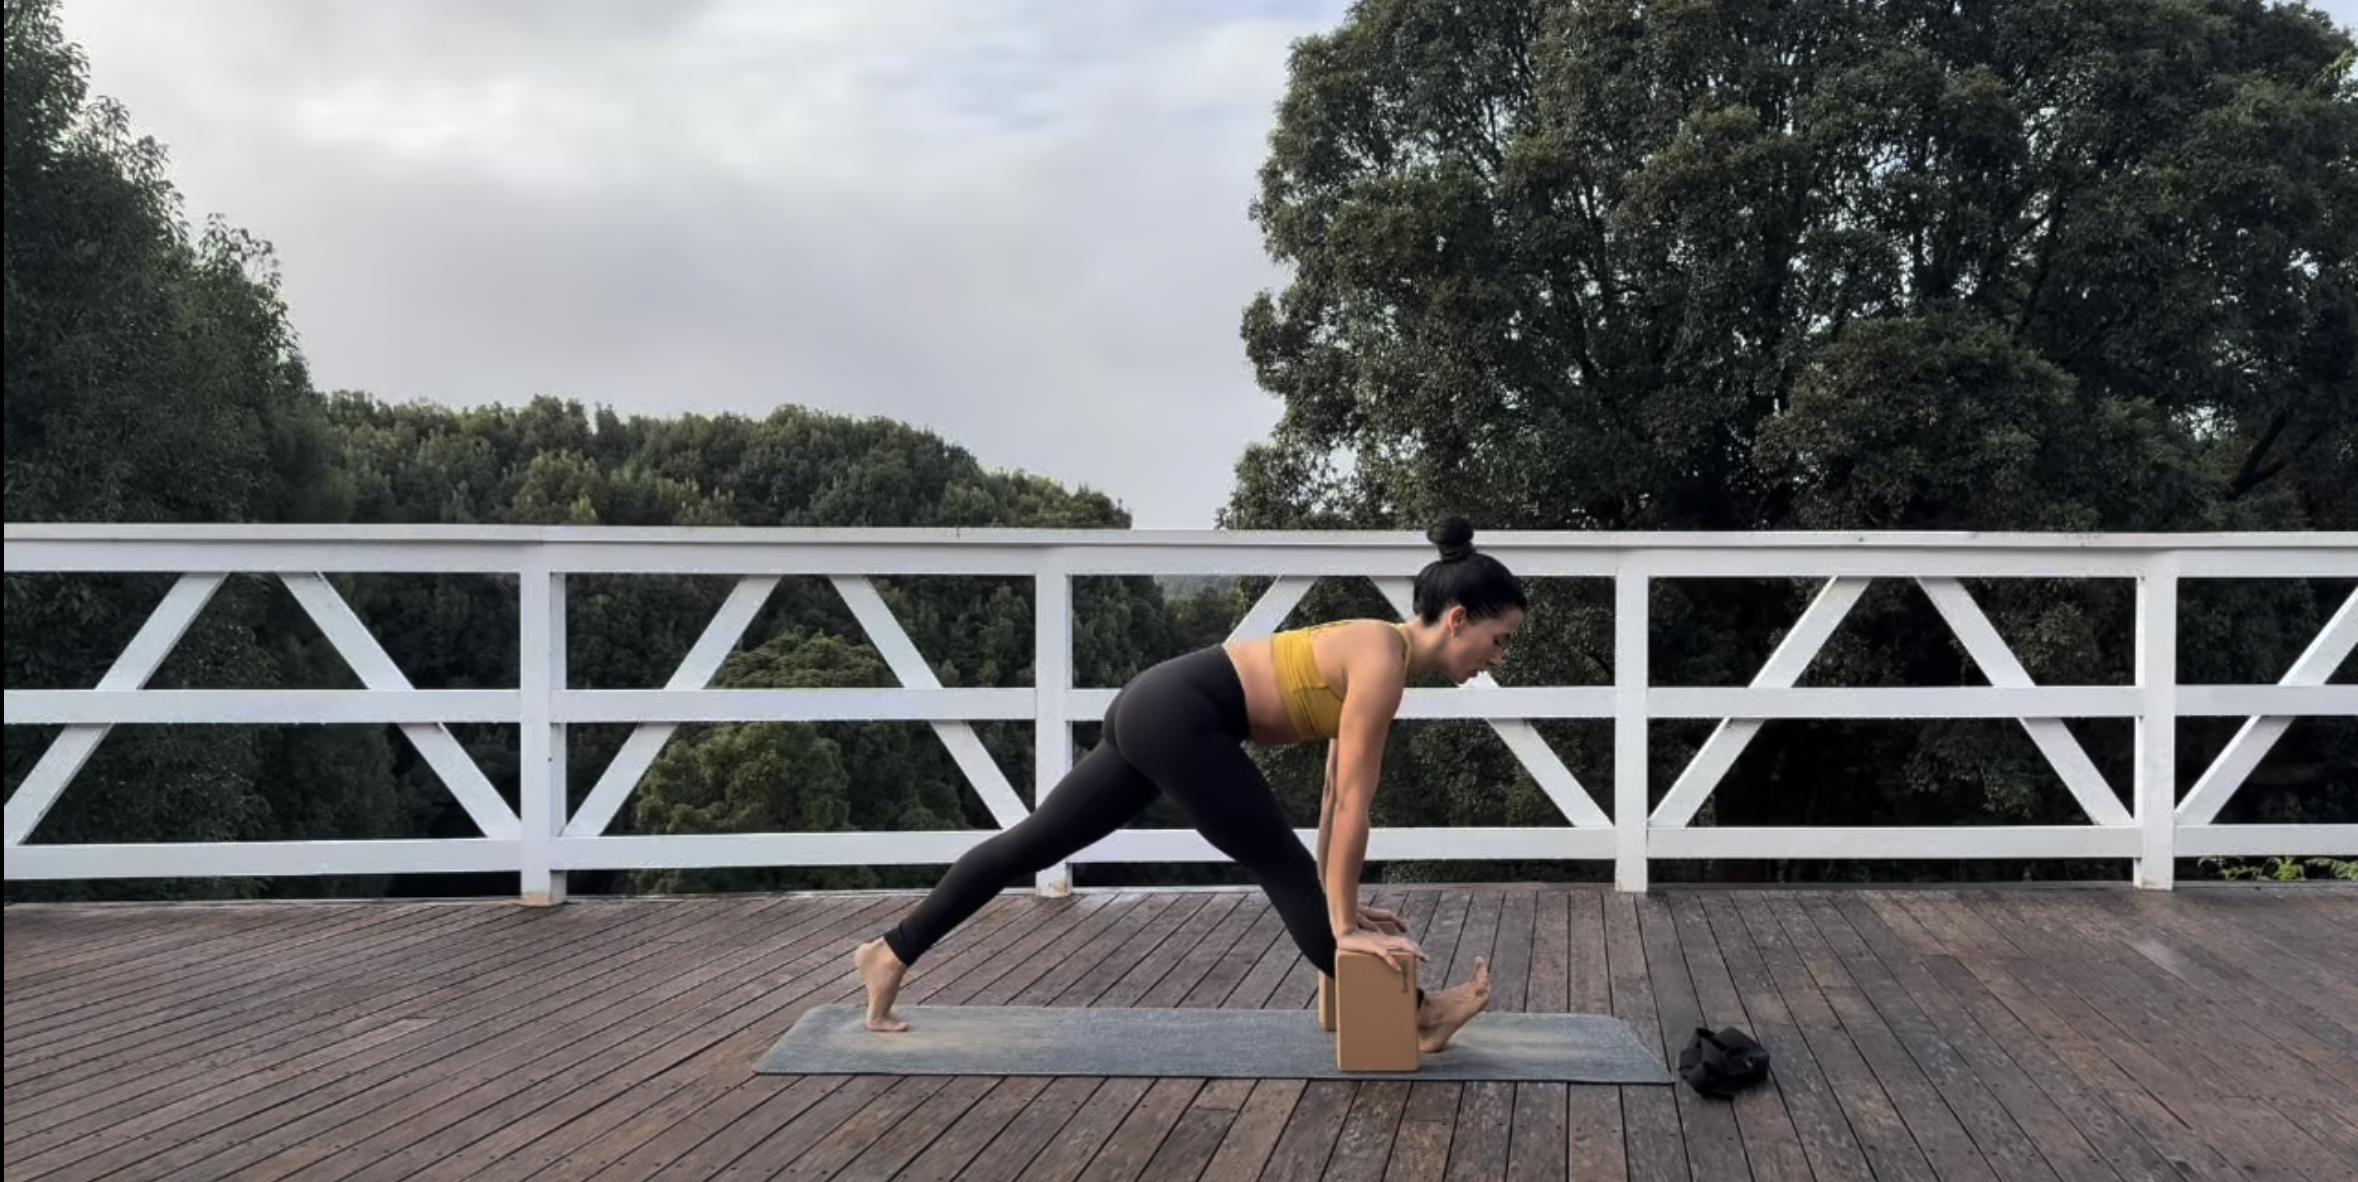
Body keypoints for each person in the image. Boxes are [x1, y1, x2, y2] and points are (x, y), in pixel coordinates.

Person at [853, 515, 1525, 1053]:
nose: (1494, 661)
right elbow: (1353, 802)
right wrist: (1341, 922)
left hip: (1155, 705)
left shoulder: (1379, 651)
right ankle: (1422, 1015)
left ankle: (890, 952)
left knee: (1033, 844)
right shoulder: (1381, 661)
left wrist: (1342, 907)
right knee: (1285, 869)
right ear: (1459, 618)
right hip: (1179, 717)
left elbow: (1333, 796)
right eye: (1497, 641)